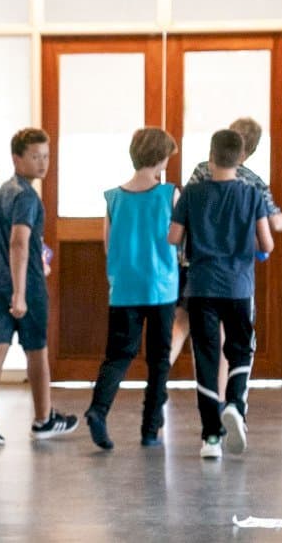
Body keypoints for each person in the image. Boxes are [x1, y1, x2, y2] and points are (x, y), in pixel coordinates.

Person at [169, 117, 282, 397]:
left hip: (195, 265)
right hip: (235, 274)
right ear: (248, 151)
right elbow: (274, 225)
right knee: (228, 336)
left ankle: (160, 383)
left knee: (183, 324)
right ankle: (224, 398)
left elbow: (182, 215)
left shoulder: (200, 172)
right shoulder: (253, 185)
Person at [168, 129, 274, 460]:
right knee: (241, 349)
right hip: (239, 287)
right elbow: (267, 244)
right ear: (240, 157)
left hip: (201, 287)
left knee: (206, 358)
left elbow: (173, 237)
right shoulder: (252, 194)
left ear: (211, 156)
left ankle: (211, 438)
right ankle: (236, 405)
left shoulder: (192, 193)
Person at [0, 127, 78, 445]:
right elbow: (18, 242)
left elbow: (12, 241)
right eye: (35, 156)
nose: (43, 162)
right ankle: (44, 419)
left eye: (46, 156)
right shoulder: (26, 196)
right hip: (25, 286)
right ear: (17, 158)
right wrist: (20, 293)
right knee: (36, 350)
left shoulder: (5, 191)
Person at [84, 128, 180, 450]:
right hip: (161, 288)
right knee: (159, 359)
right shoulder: (169, 194)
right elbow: (178, 239)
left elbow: (108, 246)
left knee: (118, 355)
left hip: (124, 289)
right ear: (161, 158)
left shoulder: (113, 197)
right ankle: (150, 429)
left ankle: (98, 410)